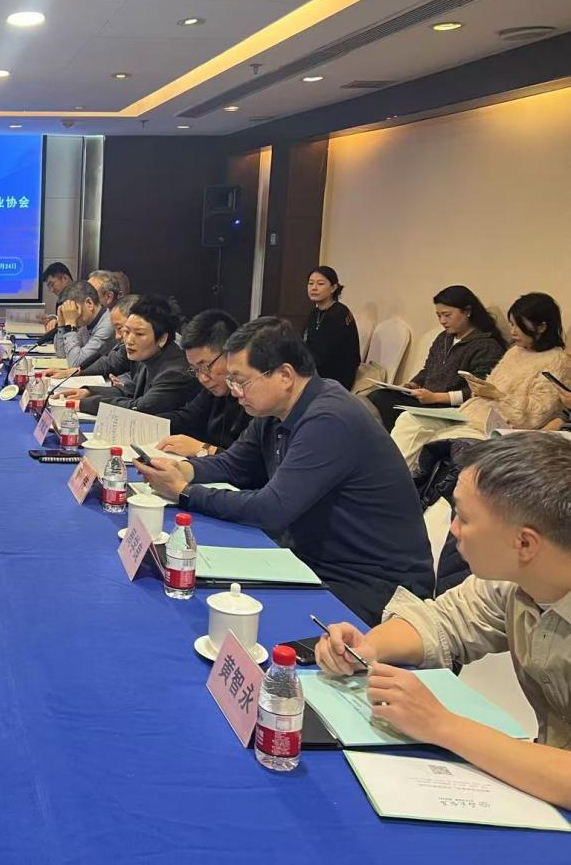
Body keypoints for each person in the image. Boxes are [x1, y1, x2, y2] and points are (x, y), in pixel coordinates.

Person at [316, 433, 571, 807]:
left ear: (525, 544)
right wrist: (368, 648)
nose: (452, 530)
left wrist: (442, 725)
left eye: (464, 518)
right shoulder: (515, 582)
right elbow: (445, 620)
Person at [135, 317, 433, 624]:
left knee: (232, 619)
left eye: (241, 381)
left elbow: (272, 508)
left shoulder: (329, 419)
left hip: (372, 583)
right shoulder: (274, 410)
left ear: (285, 375)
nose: (236, 392)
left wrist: (184, 492)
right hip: (315, 558)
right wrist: (181, 470)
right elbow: (232, 464)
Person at [393, 293, 568, 468]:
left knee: (441, 440)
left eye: (519, 326)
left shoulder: (556, 361)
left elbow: (534, 416)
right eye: (512, 325)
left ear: (541, 327)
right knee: (408, 420)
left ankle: (401, 478)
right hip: (471, 412)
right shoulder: (515, 351)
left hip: (496, 425)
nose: (513, 332)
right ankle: (393, 475)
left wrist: (497, 395)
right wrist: (479, 388)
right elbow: (489, 387)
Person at [367, 284, 507, 430]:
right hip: (427, 400)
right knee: (376, 396)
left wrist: (436, 397)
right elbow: (428, 370)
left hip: (450, 408)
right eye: (439, 316)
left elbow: (479, 391)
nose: (442, 321)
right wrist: (410, 385)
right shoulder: (443, 338)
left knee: (383, 402)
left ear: (467, 311)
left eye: (447, 315)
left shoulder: (486, 345)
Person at [60, 295, 198, 416]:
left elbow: (140, 408)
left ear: (162, 339)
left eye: (139, 334)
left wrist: (88, 404)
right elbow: (130, 391)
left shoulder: (174, 372)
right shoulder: (148, 355)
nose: (129, 340)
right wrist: (89, 392)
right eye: (126, 332)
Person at [156, 309, 252, 456]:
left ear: (232, 353)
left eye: (206, 366)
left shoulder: (256, 398)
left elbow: (250, 463)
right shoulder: (213, 391)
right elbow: (186, 419)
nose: (203, 378)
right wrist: (145, 423)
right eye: (195, 370)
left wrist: (203, 449)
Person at [303, 266, 360, 389]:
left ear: (333, 288)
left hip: (335, 379)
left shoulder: (339, 313)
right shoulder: (314, 313)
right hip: (317, 371)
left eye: (320, 284)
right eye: (311, 283)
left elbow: (326, 355)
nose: (314, 288)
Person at [54, 280, 116, 369]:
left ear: (89, 303)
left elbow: (75, 364)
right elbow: (62, 355)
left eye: (73, 310)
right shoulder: (85, 323)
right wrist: (61, 324)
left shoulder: (108, 324)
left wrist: (70, 325)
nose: (70, 314)